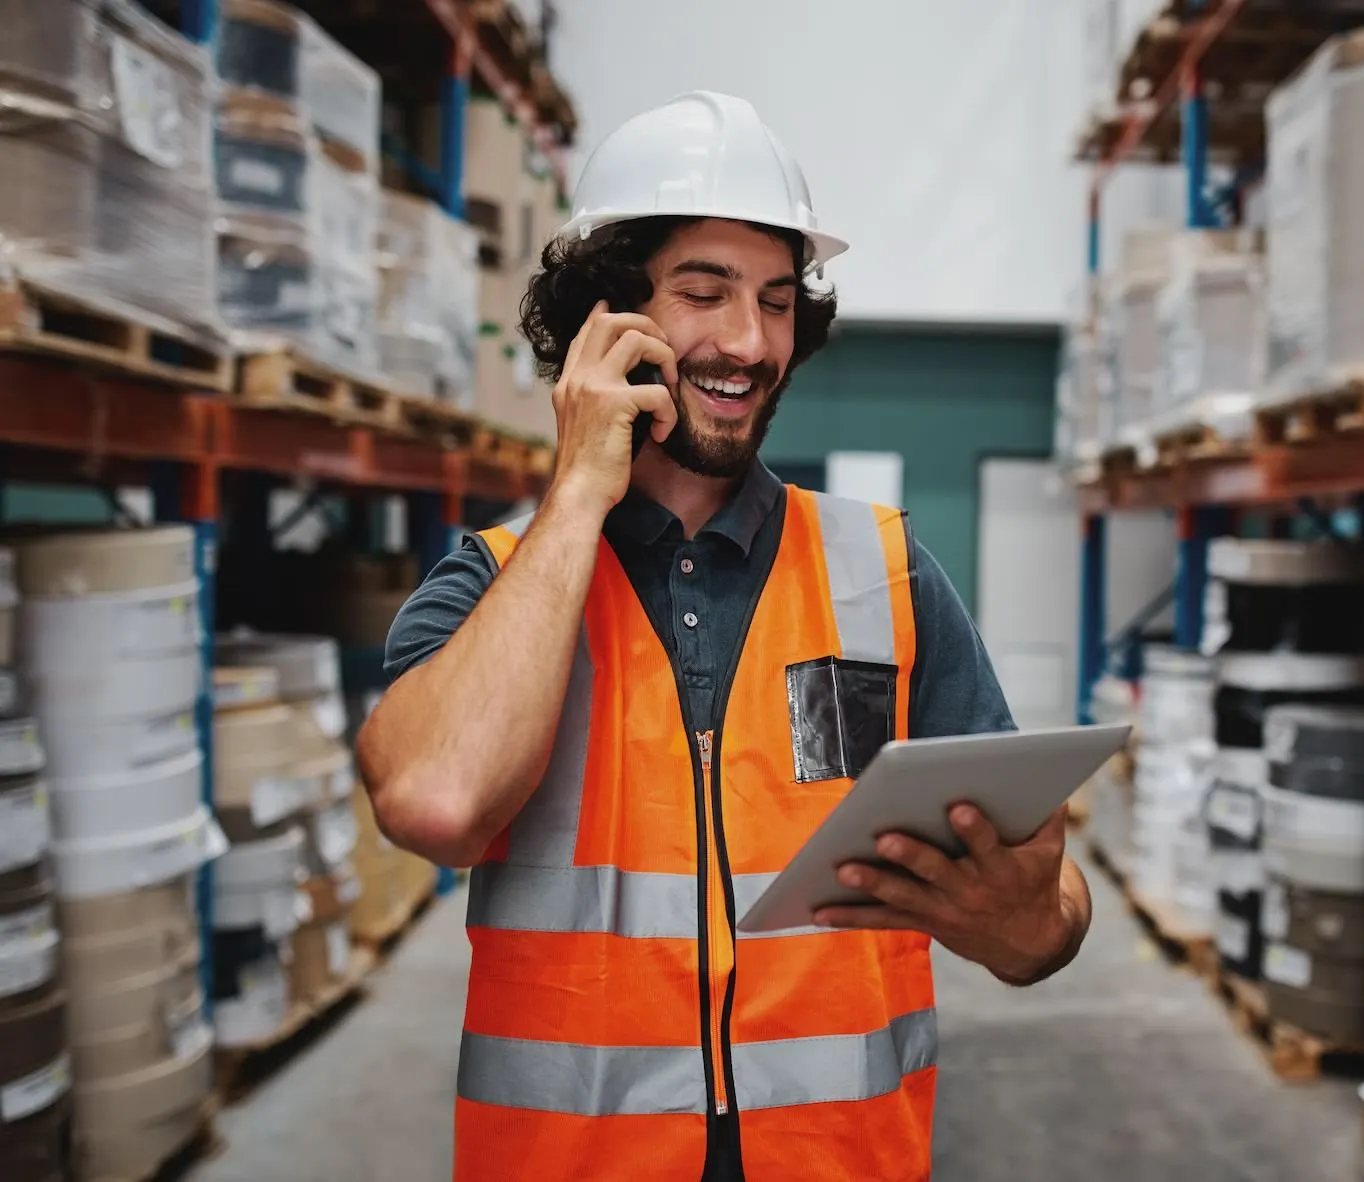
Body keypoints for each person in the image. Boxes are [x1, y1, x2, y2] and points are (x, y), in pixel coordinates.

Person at [355, 90, 1093, 1182]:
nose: (749, 342)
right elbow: (436, 803)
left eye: (777, 302)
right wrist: (578, 492)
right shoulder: (499, 582)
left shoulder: (882, 573)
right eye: (704, 294)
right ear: (607, 318)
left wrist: (1023, 922)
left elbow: (1042, 920)